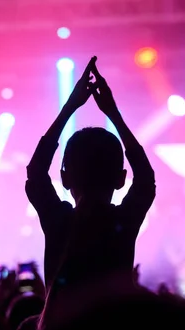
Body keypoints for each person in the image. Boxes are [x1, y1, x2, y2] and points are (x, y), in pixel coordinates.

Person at [25, 56, 156, 294]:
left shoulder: (59, 221)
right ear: (121, 179)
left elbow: (35, 174)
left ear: (65, 179)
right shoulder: (123, 221)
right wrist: (112, 113)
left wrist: (69, 108)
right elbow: (146, 179)